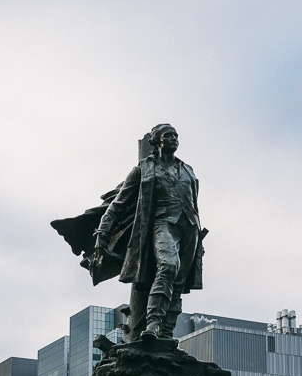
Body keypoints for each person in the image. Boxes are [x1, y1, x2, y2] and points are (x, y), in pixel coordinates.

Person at [52, 124, 206, 342]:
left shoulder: (188, 170)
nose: (174, 139)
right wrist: (102, 232)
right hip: (162, 224)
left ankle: (166, 333)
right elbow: (119, 204)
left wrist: (199, 240)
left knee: (179, 281)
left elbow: (194, 204)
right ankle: (152, 324)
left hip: (189, 227)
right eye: (168, 136)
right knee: (168, 266)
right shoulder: (144, 169)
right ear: (157, 141)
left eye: (176, 136)